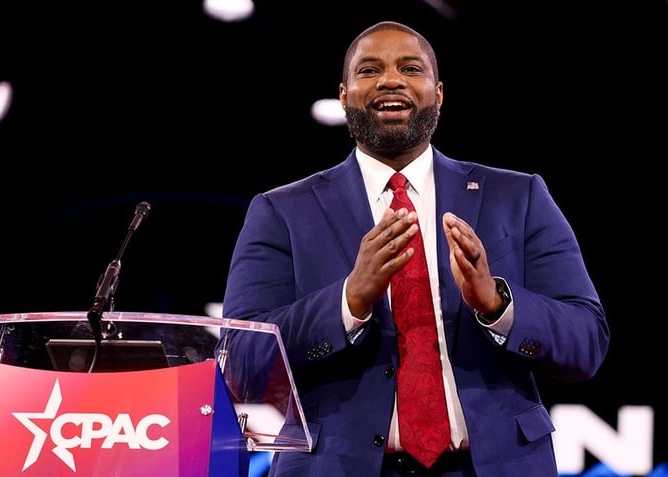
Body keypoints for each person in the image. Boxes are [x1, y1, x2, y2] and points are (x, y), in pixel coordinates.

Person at [219, 20, 609, 477]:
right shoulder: (281, 211)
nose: (390, 80)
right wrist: (348, 302)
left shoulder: (517, 197)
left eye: (410, 68)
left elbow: (587, 342)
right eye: (368, 70)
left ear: (438, 94)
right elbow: (241, 361)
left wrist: (498, 305)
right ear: (343, 96)